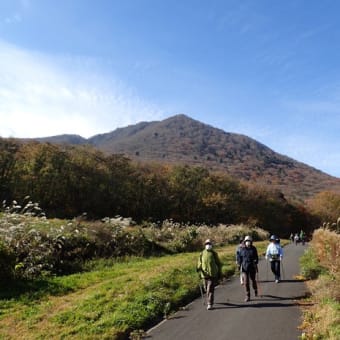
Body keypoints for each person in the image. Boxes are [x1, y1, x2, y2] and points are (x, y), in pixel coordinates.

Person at [197, 239, 222, 310]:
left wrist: (220, 272)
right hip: (204, 275)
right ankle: (209, 299)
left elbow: (218, 263)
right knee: (205, 288)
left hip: (212, 274)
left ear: (211, 245)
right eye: (207, 244)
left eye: (209, 244)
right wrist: (198, 268)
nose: (208, 245)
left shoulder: (214, 253)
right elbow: (199, 262)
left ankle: (210, 303)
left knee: (210, 289)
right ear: (205, 245)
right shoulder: (202, 253)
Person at [237, 235, 258, 302]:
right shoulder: (241, 249)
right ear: (244, 242)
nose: (248, 242)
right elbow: (239, 258)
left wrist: (255, 261)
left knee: (253, 280)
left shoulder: (253, 248)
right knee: (246, 282)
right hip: (244, 268)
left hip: (252, 267)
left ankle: (255, 289)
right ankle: (247, 296)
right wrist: (239, 265)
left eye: (249, 241)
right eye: (247, 241)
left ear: (251, 242)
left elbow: (256, 257)